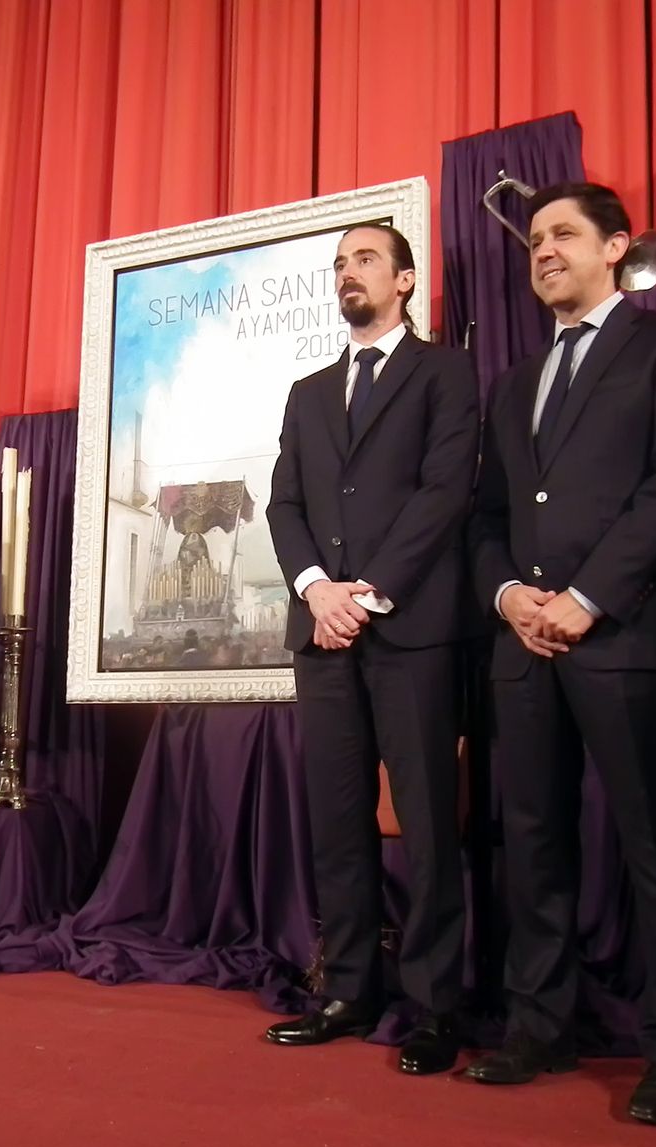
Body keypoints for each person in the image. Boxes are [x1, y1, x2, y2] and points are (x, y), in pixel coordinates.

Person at [465, 182, 656, 1125]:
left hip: (630, 636)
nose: (543, 251)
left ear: (617, 247)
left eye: (564, 235)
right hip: (524, 646)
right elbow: (489, 516)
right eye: (534, 239)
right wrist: (509, 597)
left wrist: (586, 599)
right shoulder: (512, 383)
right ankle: (540, 1025)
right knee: (533, 843)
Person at [264, 224, 480, 1075]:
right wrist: (317, 588)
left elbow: (444, 491)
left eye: (364, 261)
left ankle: (436, 1005)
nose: (347, 274)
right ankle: (347, 990)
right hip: (322, 634)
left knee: (426, 822)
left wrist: (369, 591)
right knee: (338, 820)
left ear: (406, 279)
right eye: (339, 265)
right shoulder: (308, 391)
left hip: (411, 628)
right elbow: (284, 504)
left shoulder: (446, 373)